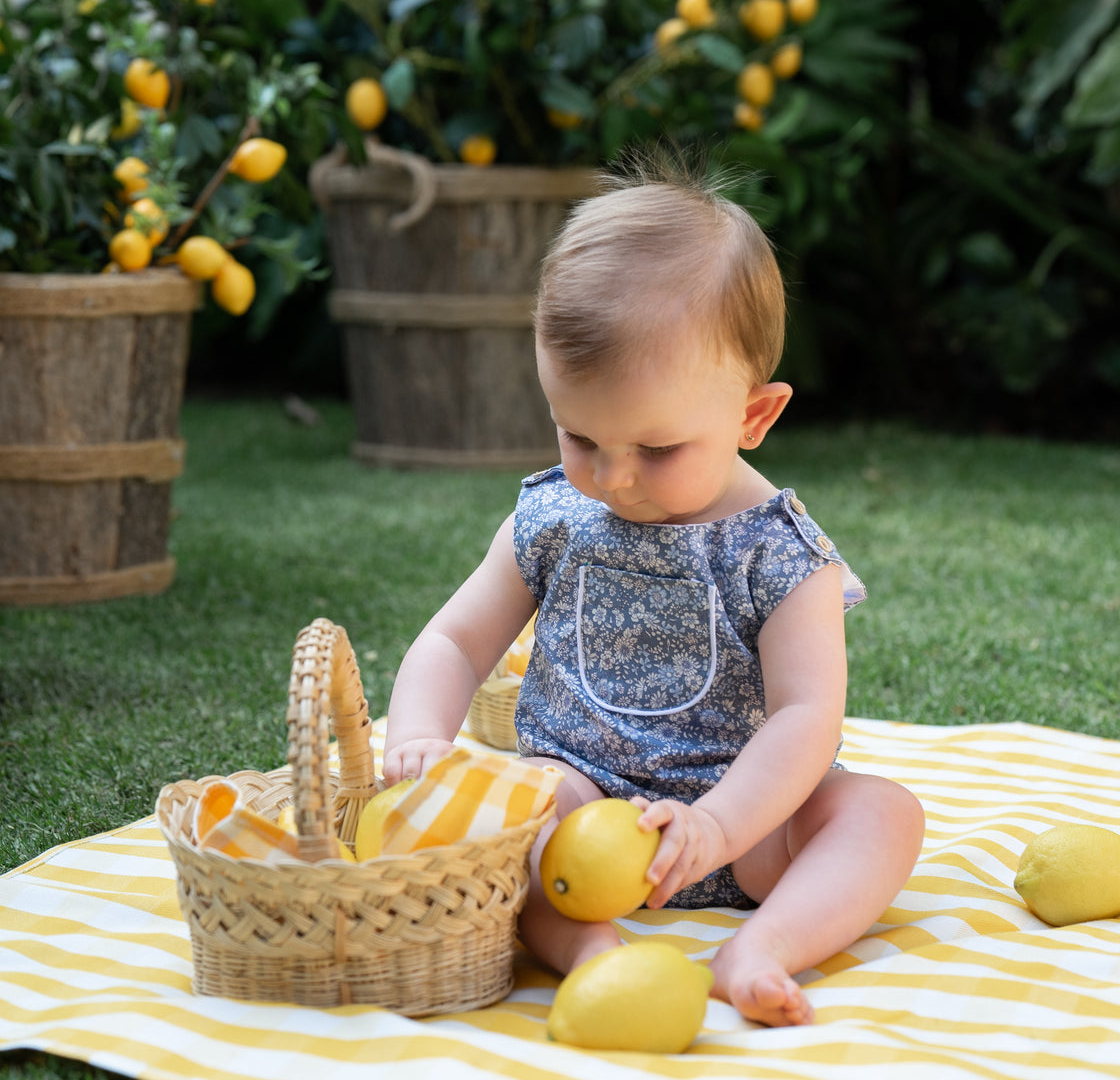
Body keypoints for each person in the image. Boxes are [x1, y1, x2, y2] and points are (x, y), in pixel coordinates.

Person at [384, 154, 925, 1027]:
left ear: (754, 415)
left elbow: (804, 718)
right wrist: (416, 736)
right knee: (504, 820)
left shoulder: (781, 556)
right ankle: (588, 950)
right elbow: (456, 641)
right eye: (578, 434)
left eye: (657, 449)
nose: (612, 477)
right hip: (578, 801)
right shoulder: (557, 517)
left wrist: (718, 826)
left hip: (749, 827)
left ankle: (766, 947)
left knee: (882, 815)